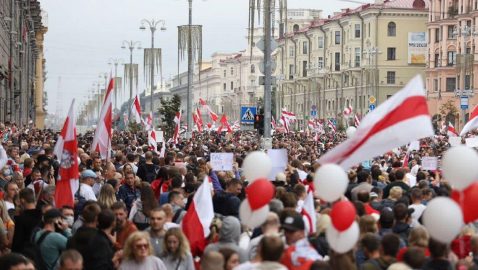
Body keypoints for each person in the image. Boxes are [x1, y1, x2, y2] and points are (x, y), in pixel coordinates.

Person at [11, 188, 42, 255]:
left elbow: (17, 242)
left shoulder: (21, 219)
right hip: (41, 252)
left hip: (26, 254)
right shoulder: (43, 215)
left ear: (22, 200)